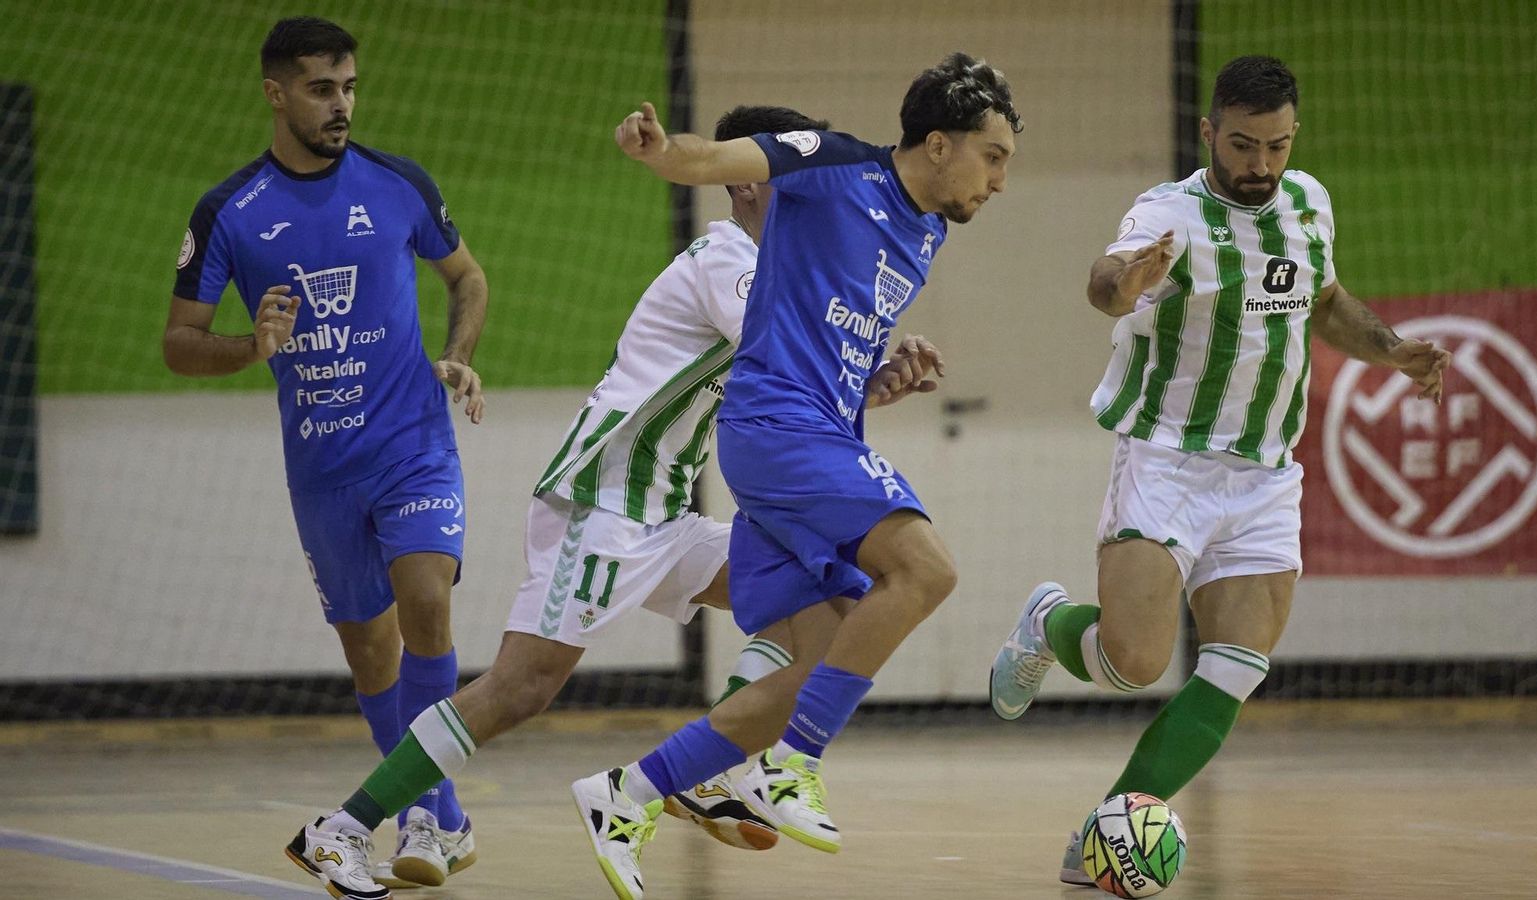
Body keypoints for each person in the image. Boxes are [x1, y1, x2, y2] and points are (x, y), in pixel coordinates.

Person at [277, 103, 937, 900]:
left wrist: (879, 380)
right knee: (523, 687)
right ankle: (341, 828)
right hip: (606, 498)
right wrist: (863, 358)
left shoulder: (779, 274)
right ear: (752, 185)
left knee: (832, 605)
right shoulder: (728, 261)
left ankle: (704, 775)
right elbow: (785, 351)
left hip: (666, 512)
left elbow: (807, 380)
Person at [985, 55, 1451, 885]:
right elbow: (1104, 283)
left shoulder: (1308, 202)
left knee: (1233, 668)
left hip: (1268, 476)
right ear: (1210, 133)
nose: (1259, 166)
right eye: (1242, 145)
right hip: (1169, 459)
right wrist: (1127, 283)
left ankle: (1102, 842)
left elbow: (1324, 298)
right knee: (1131, 662)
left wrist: (1388, 350)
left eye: (1275, 146)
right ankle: (1049, 625)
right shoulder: (1170, 213)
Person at [570, 51, 1023, 900]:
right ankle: (791, 768)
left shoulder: (926, 232)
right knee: (926, 569)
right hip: (778, 432)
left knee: (823, 658)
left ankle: (625, 794)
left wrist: (880, 381)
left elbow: (823, 345)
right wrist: (659, 151)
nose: (999, 181)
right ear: (937, 143)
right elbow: (712, 160)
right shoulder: (833, 161)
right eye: (992, 157)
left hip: (808, 436)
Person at [162, 16, 488, 895]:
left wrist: (458, 352)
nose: (340, 103)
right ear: (276, 93)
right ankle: (446, 817)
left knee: (427, 604)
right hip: (321, 472)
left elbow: (467, 276)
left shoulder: (397, 183)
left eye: (348, 86)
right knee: (372, 662)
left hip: (414, 446)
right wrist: (250, 348)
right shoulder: (228, 212)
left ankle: (414, 815)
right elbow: (179, 344)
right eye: (320, 88)